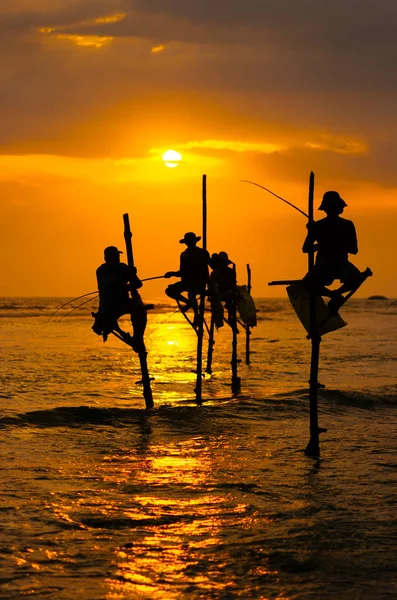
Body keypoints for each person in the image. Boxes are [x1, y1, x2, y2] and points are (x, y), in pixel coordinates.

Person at [302, 190, 365, 314]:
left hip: (339, 264)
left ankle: (335, 294)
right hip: (325, 265)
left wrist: (322, 243)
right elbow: (306, 249)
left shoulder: (321, 226)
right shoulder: (321, 226)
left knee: (357, 278)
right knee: (308, 284)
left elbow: (354, 250)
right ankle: (335, 295)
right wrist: (312, 234)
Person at [92, 246, 147, 349]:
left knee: (140, 310)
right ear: (107, 258)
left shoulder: (123, 267)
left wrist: (132, 275)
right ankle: (133, 338)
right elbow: (112, 285)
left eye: (118, 256)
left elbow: (138, 284)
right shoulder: (101, 270)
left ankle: (137, 337)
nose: (118, 258)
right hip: (108, 306)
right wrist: (128, 278)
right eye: (116, 256)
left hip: (123, 302)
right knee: (108, 320)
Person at [164, 232, 210, 326]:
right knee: (169, 290)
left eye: (190, 241)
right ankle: (188, 303)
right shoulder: (183, 255)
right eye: (188, 242)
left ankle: (196, 315)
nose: (189, 243)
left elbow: (207, 269)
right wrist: (171, 273)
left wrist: (208, 284)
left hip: (199, 283)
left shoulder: (202, 253)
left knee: (192, 294)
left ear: (194, 242)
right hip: (186, 282)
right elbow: (181, 272)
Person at [209, 251, 236, 327]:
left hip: (228, 292)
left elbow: (232, 284)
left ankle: (230, 316)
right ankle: (218, 320)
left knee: (231, 298)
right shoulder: (214, 273)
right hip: (218, 292)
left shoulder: (231, 272)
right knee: (215, 300)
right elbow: (212, 285)